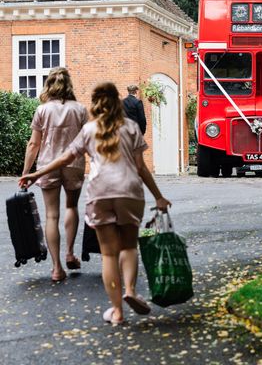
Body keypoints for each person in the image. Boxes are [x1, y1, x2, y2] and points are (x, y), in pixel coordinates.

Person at [20, 82, 171, 325]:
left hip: (100, 194)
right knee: (129, 248)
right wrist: (159, 197)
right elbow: (141, 168)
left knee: (109, 255)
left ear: (96, 104)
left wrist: (35, 174)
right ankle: (130, 291)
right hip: (129, 193)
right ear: (117, 102)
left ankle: (117, 312)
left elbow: (65, 158)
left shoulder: (90, 130)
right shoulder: (131, 127)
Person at [21, 67, 88, 282]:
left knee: (51, 215)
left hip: (47, 164)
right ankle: (70, 253)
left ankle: (57, 268)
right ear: (69, 85)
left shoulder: (42, 110)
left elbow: (34, 144)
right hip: (74, 164)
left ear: (49, 85)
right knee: (71, 207)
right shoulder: (80, 109)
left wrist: (26, 173)